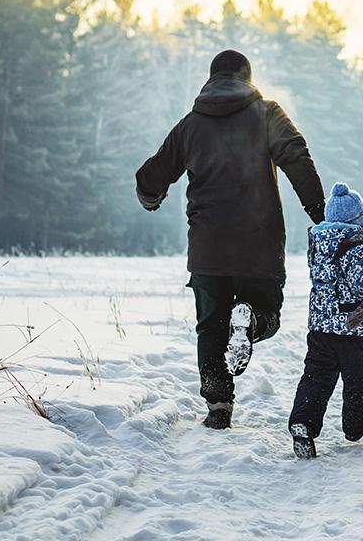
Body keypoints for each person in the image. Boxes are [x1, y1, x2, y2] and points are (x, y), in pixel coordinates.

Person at [135, 50, 325, 430]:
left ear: (211, 79)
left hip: (208, 249)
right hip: (260, 246)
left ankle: (218, 404)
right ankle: (251, 321)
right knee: (267, 312)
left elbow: (149, 177)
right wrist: (319, 213)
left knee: (210, 325)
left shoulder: (191, 125)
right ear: (247, 78)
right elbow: (297, 157)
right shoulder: (268, 112)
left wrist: (151, 200)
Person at [287, 182, 363, 459]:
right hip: (353, 330)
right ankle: (356, 426)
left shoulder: (321, 244)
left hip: (321, 329)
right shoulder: (357, 246)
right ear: (358, 218)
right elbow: (362, 281)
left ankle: (304, 421)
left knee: (316, 378)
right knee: (359, 381)